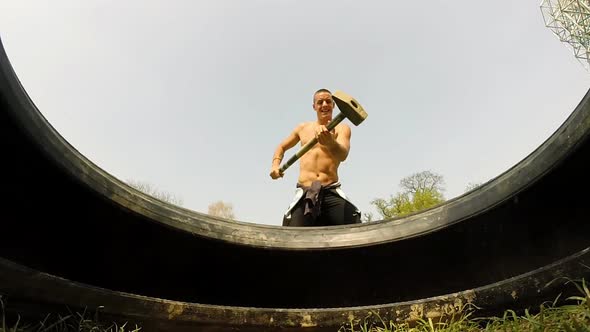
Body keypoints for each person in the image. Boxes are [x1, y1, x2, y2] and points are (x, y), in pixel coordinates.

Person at [269, 88, 361, 226]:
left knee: (353, 223)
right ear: (314, 107)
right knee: (291, 233)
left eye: (328, 101)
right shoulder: (303, 128)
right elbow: (281, 147)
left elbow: (343, 155)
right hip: (306, 191)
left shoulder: (343, 128)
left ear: (334, 105)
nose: (324, 105)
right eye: (320, 102)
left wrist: (330, 143)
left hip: (331, 190)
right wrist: (275, 165)